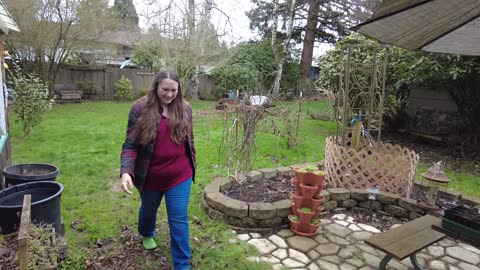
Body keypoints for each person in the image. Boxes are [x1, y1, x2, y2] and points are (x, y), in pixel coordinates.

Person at [120, 69, 196, 270]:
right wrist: (126, 171)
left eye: (174, 91)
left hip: (180, 174)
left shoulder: (185, 108)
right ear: (156, 86)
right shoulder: (140, 108)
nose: (170, 95)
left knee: (179, 219)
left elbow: (189, 140)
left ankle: (182, 265)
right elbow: (130, 144)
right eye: (165, 90)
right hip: (150, 176)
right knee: (148, 211)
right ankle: (146, 232)